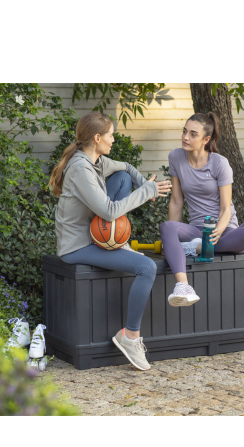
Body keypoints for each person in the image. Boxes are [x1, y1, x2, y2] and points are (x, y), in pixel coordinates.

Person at [49, 111, 171, 371]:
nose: (113, 140)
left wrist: (144, 185)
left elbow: (126, 168)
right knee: (147, 267)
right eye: (111, 135)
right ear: (97, 138)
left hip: (95, 238)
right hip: (77, 246)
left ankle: (115, 242)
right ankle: (130, 337)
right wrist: (145, 191)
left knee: (123, 177)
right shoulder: (81, 168)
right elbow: (109, 212)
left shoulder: (96, 161)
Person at [160, 112, 244, 307]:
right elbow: (176, 201)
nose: (185, 137)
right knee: (167, 227)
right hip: (196, 230)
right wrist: (173, 237)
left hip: (224, 231)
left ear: (205, 140)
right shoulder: (175, 157)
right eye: (184, 131)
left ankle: (198, 249)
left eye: (193, 134)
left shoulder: (219, 163)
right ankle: (183, 286)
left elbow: (226, 209)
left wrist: (215, 234)